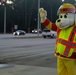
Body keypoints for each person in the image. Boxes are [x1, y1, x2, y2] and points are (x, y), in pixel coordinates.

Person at [39, 3, 76, 75]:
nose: (61, 19)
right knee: (61, 73)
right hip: (60, 56)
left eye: (65, 16)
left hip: (71, 58)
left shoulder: (74, 29)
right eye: (60, 16)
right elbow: (50, 26)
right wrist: (44, 18)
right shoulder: (60, 27)